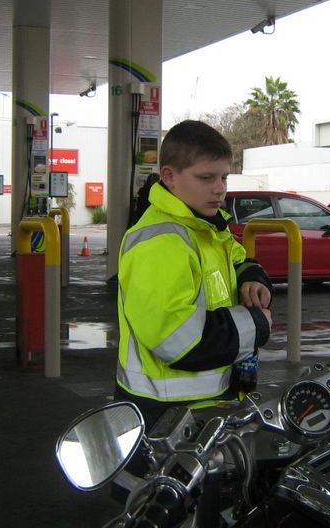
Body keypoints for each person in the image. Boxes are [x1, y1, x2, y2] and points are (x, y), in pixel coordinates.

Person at [115, 120, 273, 431]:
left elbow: (237, 259)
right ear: (169, 177)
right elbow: (176, 340)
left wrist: (251, 277)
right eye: (206, 177)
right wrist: (255, 325)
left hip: (204, 405)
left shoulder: (204, 227)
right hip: (164, 416)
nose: (219, 188)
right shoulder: (161, 242)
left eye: (224, 177)